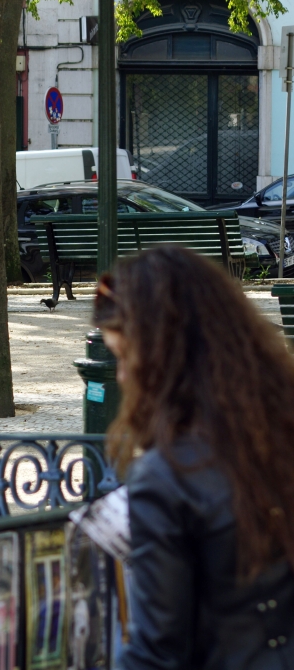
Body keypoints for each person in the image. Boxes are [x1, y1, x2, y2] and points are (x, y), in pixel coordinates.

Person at [94, 247, 294, 670]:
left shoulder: (166, 477)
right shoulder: (277, 431)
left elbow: (159, 652)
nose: (121, 376)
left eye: (125, 357)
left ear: (164, 358)